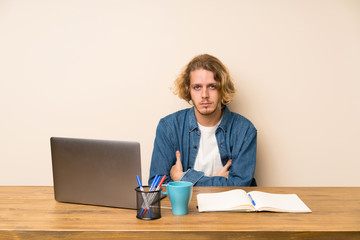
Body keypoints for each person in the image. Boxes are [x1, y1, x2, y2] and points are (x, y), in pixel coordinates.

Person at [148, 54, 257, 186]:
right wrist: (219, 180)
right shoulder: (169, 127)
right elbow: (157, 184)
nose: (204, 95)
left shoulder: (244, 130)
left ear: (222, 88)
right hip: (186, 206)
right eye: (197, 87)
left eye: (212, 86)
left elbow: (240, 185)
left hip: (228, 207)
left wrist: (183, 178)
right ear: (188, 89)